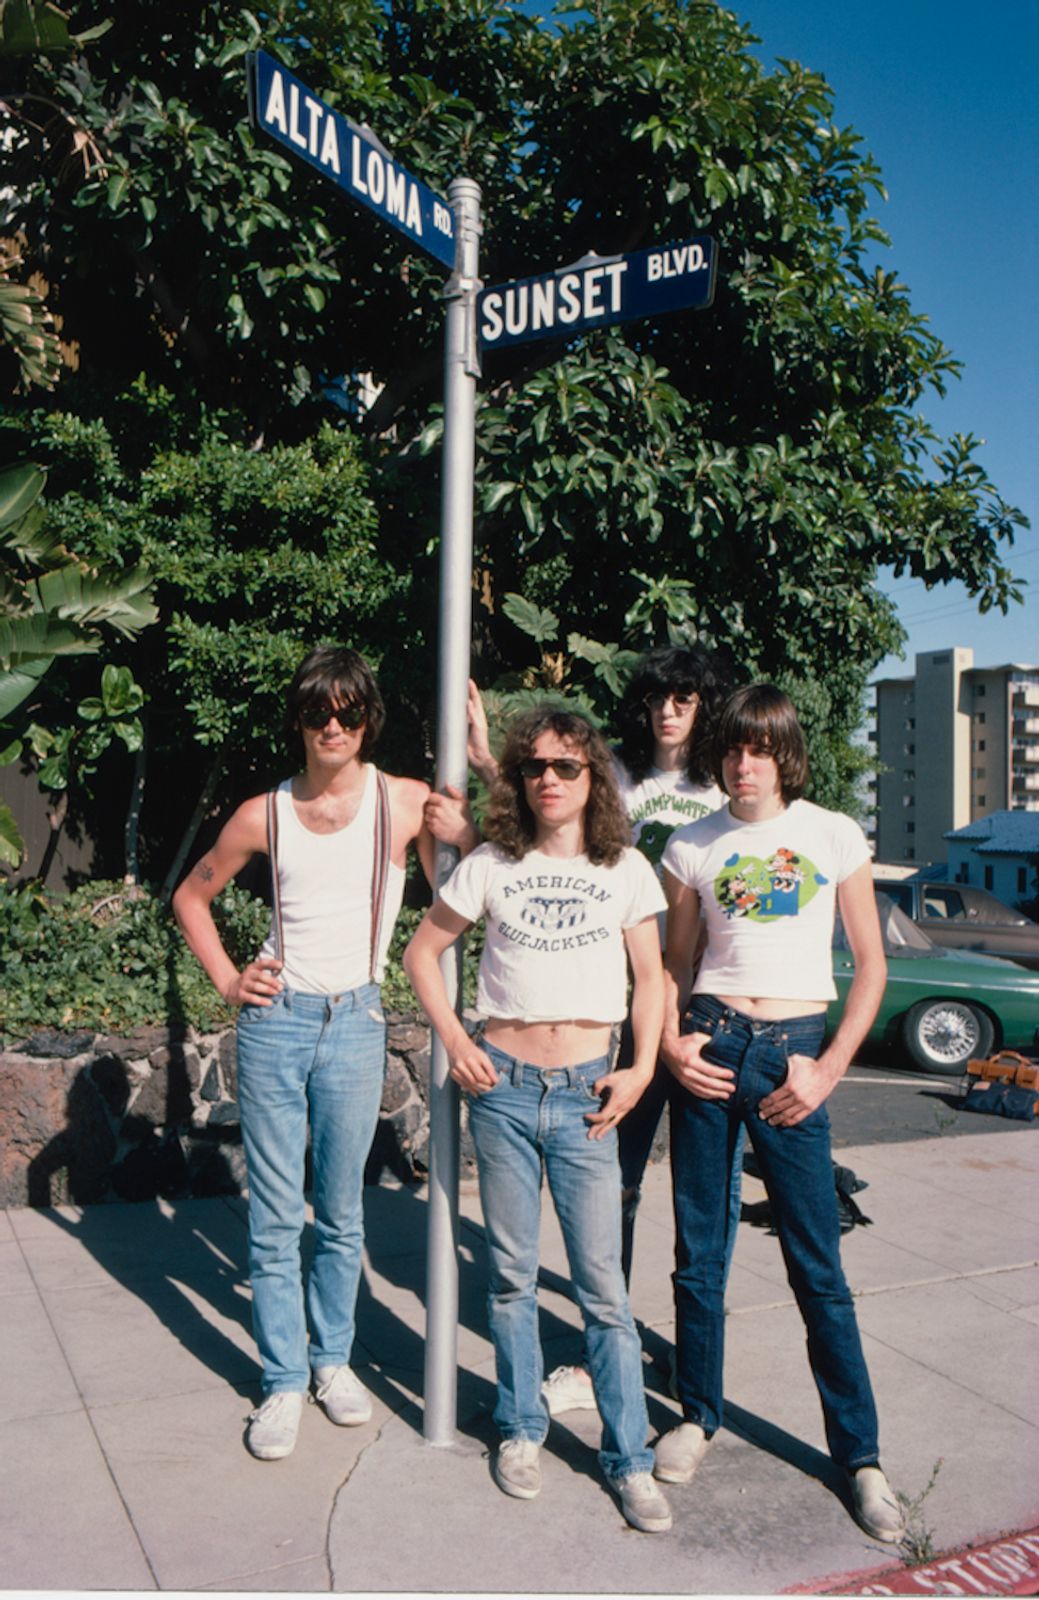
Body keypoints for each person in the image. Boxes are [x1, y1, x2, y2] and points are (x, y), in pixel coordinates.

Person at [426, 648, 740, 1420]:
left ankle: (692, 1390)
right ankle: (598, 1359)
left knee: (704, 1217)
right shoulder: (617, 781)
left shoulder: (721, 789)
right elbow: (546, 804)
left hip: (702, 1016)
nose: (669, 709)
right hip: (613, 1031)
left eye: (686, 697)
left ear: (706, 707)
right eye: (657, 696)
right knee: (610, 1203)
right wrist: (479, 750)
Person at [404, 705, 673, 1534]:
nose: (548, 779)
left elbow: (653, 980)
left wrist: (638, 1069)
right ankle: (520, 1429)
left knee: (602, 1293)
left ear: (592, 778)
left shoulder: (623, 866)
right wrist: (455, 1039)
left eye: (565, 766)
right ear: (518, 781)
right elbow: (422, 951)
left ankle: (628, 1459)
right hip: (506, 1091)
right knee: (512, 1279)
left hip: (592, 1096)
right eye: (534, 768)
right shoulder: (491, 863)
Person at [654, 682, 905, 1543]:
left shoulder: (832, 835)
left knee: (817, 1265)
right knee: (700, 1252)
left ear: (785, 753)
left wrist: (829, 1066)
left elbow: (869, 966)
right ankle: (696, 1415)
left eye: (758, 748)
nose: (742, 762)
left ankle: (860, 1458)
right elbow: (670, 966)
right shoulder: (691, 844)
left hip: (794, 1055)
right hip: (712, 1051)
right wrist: (669, 1045)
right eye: (730, 747)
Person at [173, 645, 434, 1462]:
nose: (334, 726)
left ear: (368, 718)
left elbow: (466, 888)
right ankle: (283, 1379)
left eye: (349, 712)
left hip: (356, 1021)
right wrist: (226, 980)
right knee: (278, 1213)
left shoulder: (407, 803)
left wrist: (482, 756)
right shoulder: (265, 813)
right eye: (320, 711)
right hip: (276, 1022)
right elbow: (190, 894)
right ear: (299, 718)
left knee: (343, 1214)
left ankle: (333, 1364)